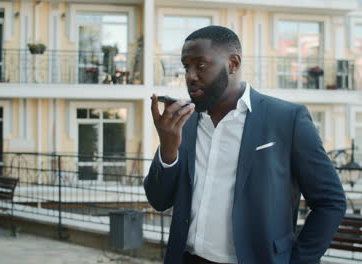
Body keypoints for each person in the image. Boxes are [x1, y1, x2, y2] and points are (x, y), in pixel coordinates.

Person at [144, 25, 346, 264]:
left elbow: (330, 202)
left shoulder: (287, 119)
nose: (190, 76)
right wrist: (167, 149)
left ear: (233, 63)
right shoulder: (184, 122)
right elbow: (158, 200)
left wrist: (298, 261)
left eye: (200, 65)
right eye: (186, 67)